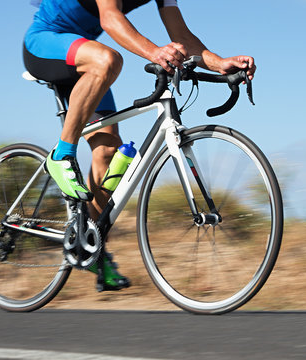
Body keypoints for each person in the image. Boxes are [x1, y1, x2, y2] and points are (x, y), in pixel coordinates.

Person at [23, 0, 256, 290]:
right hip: (45, 42)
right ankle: (61, 154)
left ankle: (91, 246)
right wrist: (156, 53)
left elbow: (183, 37)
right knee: (109, 60)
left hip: (85, 60)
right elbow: (109, 18)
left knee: (108, 152)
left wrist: (221, 63)